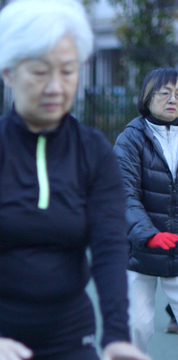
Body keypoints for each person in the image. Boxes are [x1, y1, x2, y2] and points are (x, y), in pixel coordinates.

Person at [0, 1, 150, 359]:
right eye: (39, 72)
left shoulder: (94, 151)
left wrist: (117, 334)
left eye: (68, 71)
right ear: (7, 73)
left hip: (66, 332)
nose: (55, 86)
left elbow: (109, 246)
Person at [113, 67, 178, 353]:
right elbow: (124, 195)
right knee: (137, 325)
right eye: (165, 93)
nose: (172, 99)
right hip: (139, 251)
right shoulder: (131, 139)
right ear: (147, 97)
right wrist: (148, 234)